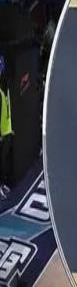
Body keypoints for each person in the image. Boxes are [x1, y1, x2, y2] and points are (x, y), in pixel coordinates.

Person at [0, 55, 13, 199]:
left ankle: (3, 184)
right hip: (2, 133)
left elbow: (6, 109)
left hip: (7, 131)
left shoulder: (5, 87)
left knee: (4, 162)